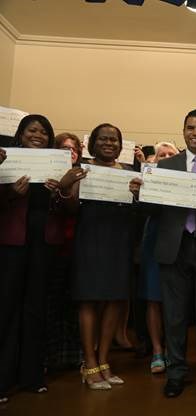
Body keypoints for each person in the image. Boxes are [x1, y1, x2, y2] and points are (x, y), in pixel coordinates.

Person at [130, 110, 196, 397]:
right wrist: (139, 194)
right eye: (190, 128)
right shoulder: (166, 165)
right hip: (173, 247)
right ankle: (176, 372)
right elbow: (151, 209)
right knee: (174, 315)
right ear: (183, 132)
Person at [58, 123, 136, 391]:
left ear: (120, 144)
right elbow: (71, 209)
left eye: (114, 139)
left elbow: (137, 211)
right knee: (89, 300)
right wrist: (67, 187)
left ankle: (104, 361)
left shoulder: (128, 173)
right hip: (90, 239)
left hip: (119, 241)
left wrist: (139, 195)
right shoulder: (82, 170)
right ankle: (88, 362)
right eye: (103, 138)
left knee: (115, 299)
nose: (109, 143)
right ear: (93, 144)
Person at [0, 115, 64, 402]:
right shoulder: (6, 161)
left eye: (43, 131)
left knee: (36, 309)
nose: (38, 135)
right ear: (20, 134)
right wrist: (11, 194)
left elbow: (65, 209)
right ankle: (2, 379)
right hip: (12, 243)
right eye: (32, 130)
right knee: (6, 309)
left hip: (43, 245)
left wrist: (58, 192)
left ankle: (31, 376)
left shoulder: (55, 164)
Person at [136, 141, 179, 374]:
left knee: (175, 300)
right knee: (153, 298)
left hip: (179, 242)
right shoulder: (147, 177)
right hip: (154, 240)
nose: (165, 157)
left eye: (170, 154)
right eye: (161, 154)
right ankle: (157, 351)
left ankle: (173, 350)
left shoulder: (186, 176)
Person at [45, 133, 83, 372]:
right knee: (51, 305)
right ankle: (49, 358)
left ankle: (72, 356)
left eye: (74, 148)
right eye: (64, 148)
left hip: (78, 248)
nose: (70, 152)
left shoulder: (84, 174)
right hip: (52, 248)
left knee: (74, 306)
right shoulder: (46, 174)